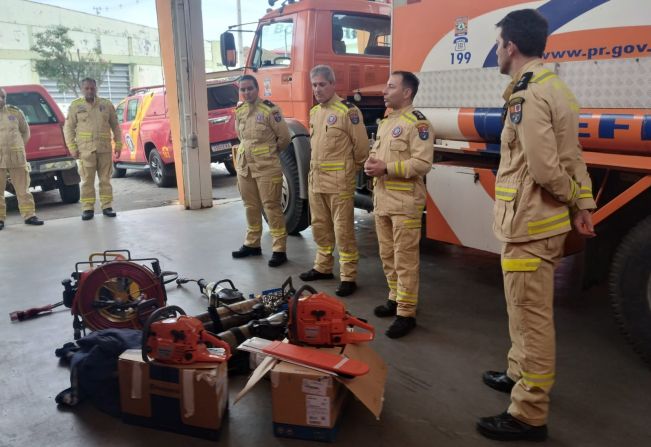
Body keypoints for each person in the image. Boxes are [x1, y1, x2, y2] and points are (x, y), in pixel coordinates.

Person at [476, 9, 596, 442]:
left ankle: (529, 413)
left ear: (510, 46)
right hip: (536, 222)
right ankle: (518, 374)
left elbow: (548, 169)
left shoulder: (527, 95)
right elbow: (573, 156)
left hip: (530, 223)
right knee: (524, 311)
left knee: (531, 318)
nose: (497, 51)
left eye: (499, 43)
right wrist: (583, 202)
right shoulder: (555, 86)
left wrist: (568, 199)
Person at [364, 72, 433, 338]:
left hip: (405, 202)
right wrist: (372, 165)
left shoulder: (419, 124)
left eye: (391, 86)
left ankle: (406, 312)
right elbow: (379, 155)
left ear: (406, 93)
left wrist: (387, 168)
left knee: (405, 260)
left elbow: (423, 163)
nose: (384, 90)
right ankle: (394, 298)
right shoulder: (386, 122)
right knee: (387, 255)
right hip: (383, 200)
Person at [299, 65, 369, 297]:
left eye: (322, 84)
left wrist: (349, 171)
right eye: (314, 85)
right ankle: (323, 266)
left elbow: (361, 149)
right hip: (316, 180)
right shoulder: (315, 112)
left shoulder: (348, 112)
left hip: (339, 182)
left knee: (343, 229)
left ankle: (348, 276)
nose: (317, 89)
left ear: (332, 84)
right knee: (320, 225)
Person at [231, 75, 291, 267]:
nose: (247, 92)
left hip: (266, 167)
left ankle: (279, 249)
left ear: (257, 89)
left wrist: (268, 153)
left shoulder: (270, 110)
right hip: (245, 167)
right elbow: (241, 137)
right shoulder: (239, 111)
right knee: (250, 206)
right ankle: (252, 244)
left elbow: (284, 138)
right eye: (243, 89)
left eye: (250, 88)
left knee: (271, 207)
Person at [64, 78, 121, 221]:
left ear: (96, 89)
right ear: (82, 89)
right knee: (87, 181)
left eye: (92, 88)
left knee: (105, 180)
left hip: (104, 150)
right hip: (85, 151)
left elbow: (115, 126)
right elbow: (68, 129)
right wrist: (72, 147)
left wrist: (118, 144)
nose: (90, 90)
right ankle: (87, 209)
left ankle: (107, 206)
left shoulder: (106, 105)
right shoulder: (75, 106)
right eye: (87, 88)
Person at [0, 87, 44, 230]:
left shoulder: (15, 112)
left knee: (23, 189)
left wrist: (20, 146)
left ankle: (29, 215)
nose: (1, 100)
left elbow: (25, 132)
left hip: (16, 157)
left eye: (3, 97)